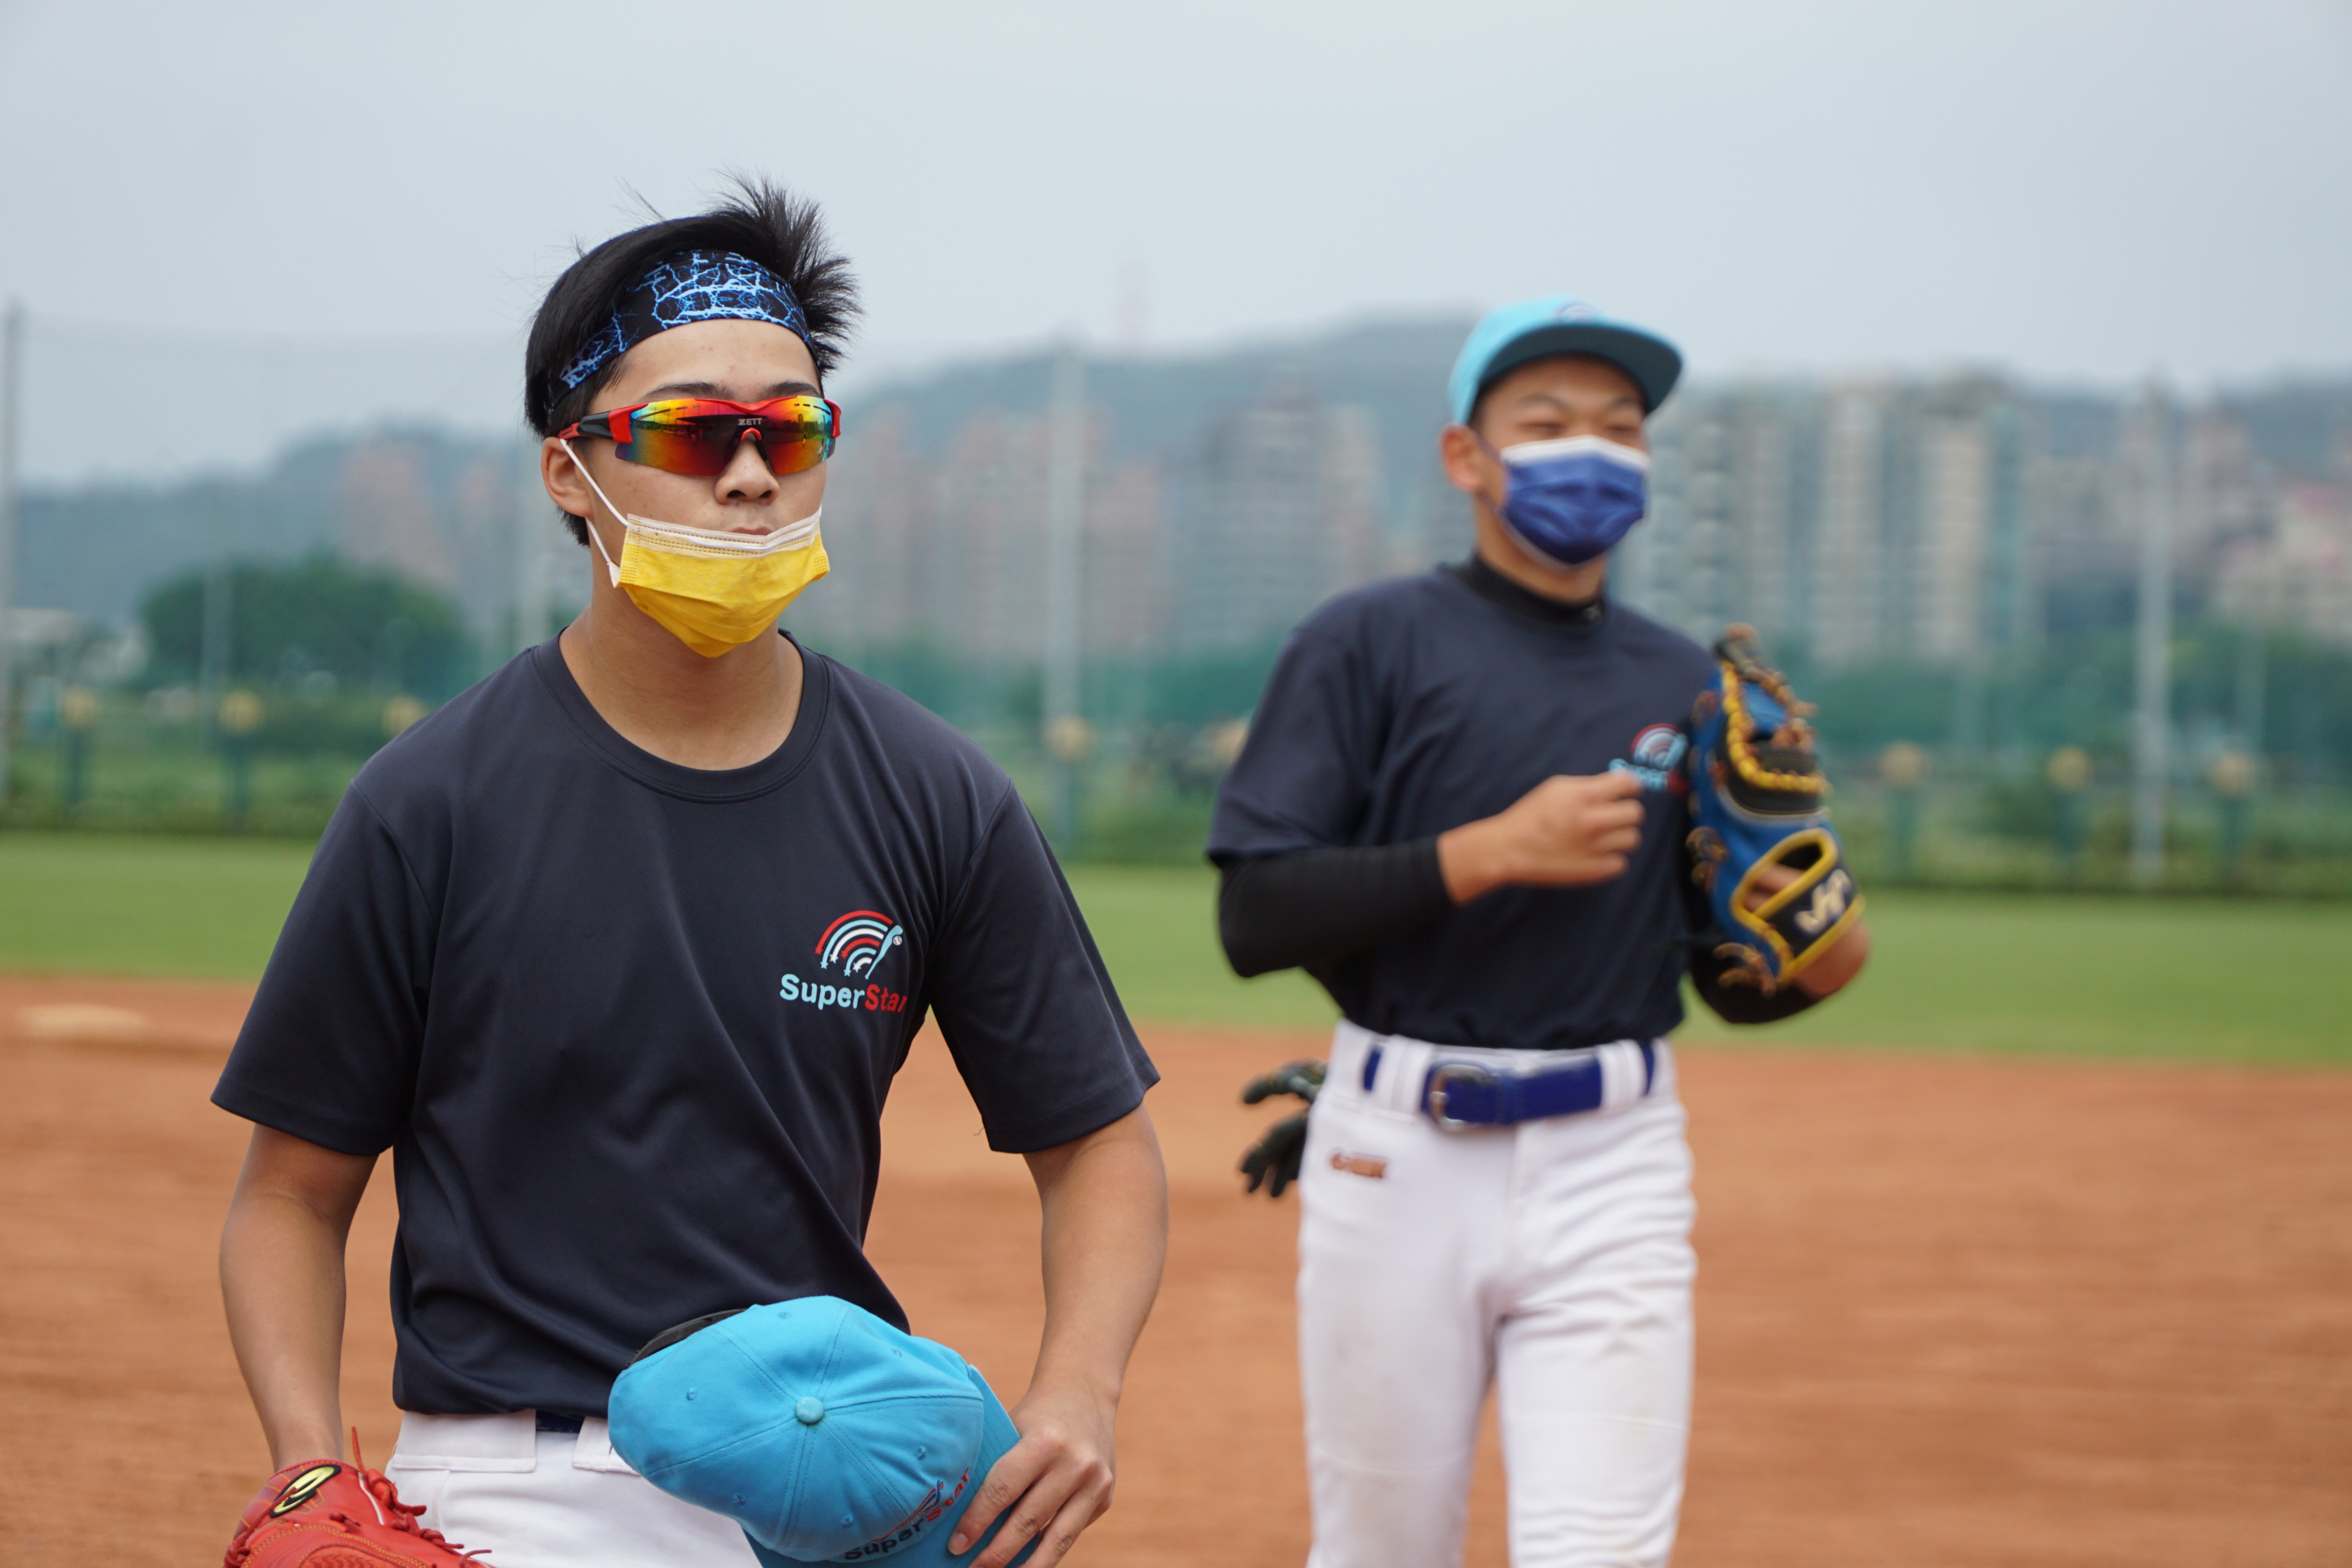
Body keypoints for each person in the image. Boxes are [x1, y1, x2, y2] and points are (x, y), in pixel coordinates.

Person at [214, 180, 1167, 1568]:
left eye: (793, 429)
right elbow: (291, 1196)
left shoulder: (936, 793)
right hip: (512, 1493)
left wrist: (1080, 1389)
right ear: (571, 470)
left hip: (824, 1493)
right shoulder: (430, 801)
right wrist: (311, 1472)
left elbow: (1098, 1143)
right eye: (694, 431)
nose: (752, 473)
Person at [1208, 296, 1872, 1568]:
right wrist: (1494, 851)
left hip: (1616, 1158)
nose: (1594, 450)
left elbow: (1738, 985)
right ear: (1467, 456)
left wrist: (1825, 935)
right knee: (1383, 1552)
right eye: (1551, 421)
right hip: (1396, 1151)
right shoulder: (1367, 641)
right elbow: (1256, 913)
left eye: (1622, 428)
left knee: (1600, 1552)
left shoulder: (1687, 683)